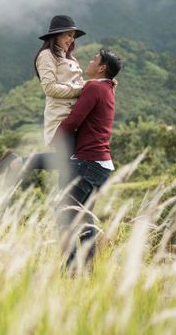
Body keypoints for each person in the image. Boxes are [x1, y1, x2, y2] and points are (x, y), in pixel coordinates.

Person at [0, 15, 85, 179]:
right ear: (57, 35)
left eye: (73, 35)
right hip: (61, 117)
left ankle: (66, 202)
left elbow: (80, 84)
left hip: (77, 118)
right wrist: (81, 89)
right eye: (68, 34)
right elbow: (50, 88)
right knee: (66, 162)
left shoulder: (71, 58)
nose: (71, 39)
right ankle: (17, 162)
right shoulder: (46, 55)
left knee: (71, 164)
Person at [56, 48, 122, 271]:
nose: (91, 61)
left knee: (64, 213)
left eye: (95, 59)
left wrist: (56, 137)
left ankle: (73, 269)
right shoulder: (108, 88)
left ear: (102, 67)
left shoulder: (94, 87)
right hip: (101, 164)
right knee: (84, 216)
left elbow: (74, 119)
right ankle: (86, 267)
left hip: (87, 161)